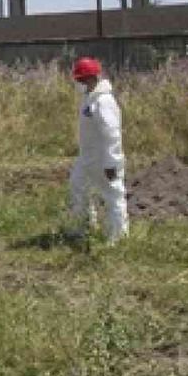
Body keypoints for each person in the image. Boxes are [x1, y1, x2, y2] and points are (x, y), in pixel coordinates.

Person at [69, 56, 128, 243]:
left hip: (104, 159)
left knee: (112, 195)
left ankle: (118, 237)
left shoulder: (104, 101)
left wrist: (111, 162)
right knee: (78, 187)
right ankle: (83, 228)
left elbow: (112, 133)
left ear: (90, 78)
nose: (78, 83)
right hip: (87, 158)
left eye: (81, 79)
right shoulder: (90, 98)